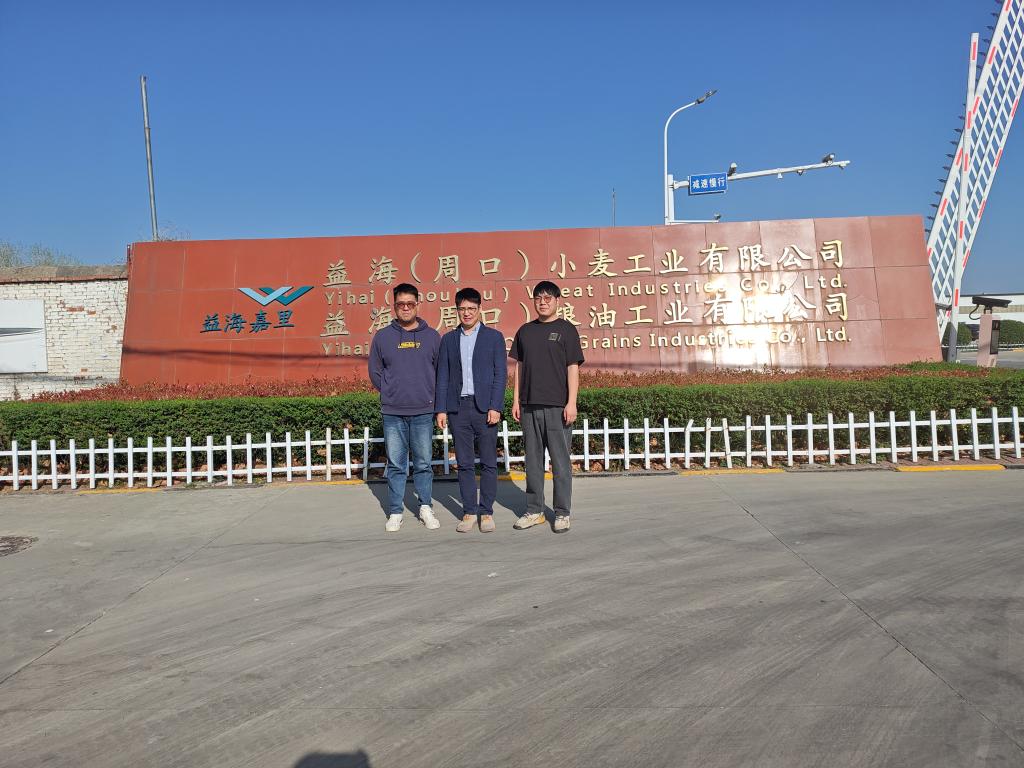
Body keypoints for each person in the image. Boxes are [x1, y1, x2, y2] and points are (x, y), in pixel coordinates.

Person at [509, 280, 584, 534]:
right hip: (529, 406)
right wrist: (516, 400)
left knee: (560, 463)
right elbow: (519, 367)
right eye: (538, 298)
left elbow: (572, 368)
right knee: (532, 462)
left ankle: (562, 512)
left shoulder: (567, 330)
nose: (543, 302)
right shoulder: (525, 331)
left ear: (557, 301)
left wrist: (571, 402)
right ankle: (535, 510)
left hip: (557, 407)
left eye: (548, 298)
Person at [368, 283, 442, 533]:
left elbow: (440, 371)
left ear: (417, 305)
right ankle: (395, 511)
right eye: (401, 304)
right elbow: (375, 371)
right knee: (396, 465)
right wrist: (391, 391)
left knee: (423, 463)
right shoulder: (383, 337)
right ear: (395, 306)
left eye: (410, 304)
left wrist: (431, 398)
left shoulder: (432, 337)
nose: (406, 308)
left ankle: (425, 507)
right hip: (393, 412)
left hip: (423, 410)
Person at [435, 288, 508, 533]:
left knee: (488, 462)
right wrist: (441, 409)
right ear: (457, 310)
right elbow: (443, 376)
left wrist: (495, 406)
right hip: (458, 408)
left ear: (479, 309)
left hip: (484, 408)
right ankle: (468, 511)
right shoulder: (448, 340)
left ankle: (486, 512)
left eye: (471, 309)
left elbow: (500, 375)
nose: (467, 313)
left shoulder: (493, 337)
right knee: (464, 463)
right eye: (462, 309)